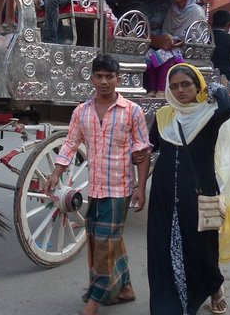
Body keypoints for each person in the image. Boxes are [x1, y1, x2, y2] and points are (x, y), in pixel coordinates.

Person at [147, 63, 230, 314]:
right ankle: (168, 301)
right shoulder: (164, 116)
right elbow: (150, 146)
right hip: (163, 194)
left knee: (202, 248)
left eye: (186, 84)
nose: (180, 90)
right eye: (174, 86)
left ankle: (215, 287)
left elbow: (229, 107)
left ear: (197, 86)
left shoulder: (209, 116)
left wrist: (215, 88)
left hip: (198, 193)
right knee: (162, 248)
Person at [43, 54, 150, 315]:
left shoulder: (132, 111)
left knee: (104, 244)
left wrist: (141, 188)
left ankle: (94, 300)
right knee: (100, 238)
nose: (104, 82)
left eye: (109, 77)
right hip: (96, 189)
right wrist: (56, 173)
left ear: (118, 79)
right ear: (92, 78)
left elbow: (142, 152)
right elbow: (70, 143)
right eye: (99, 76)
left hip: (120, 189)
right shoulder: (82, 111)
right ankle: (125, 288)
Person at [145, 0, 206, 97]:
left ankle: (162, 91)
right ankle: (152, 90)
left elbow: (197, 34)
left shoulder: (197, 11)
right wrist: (169, 39)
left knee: (166, 58)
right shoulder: (172, 11)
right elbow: (166, 30)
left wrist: (181, 40)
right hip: (170, 45)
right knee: (150, 57)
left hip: (188, 48)